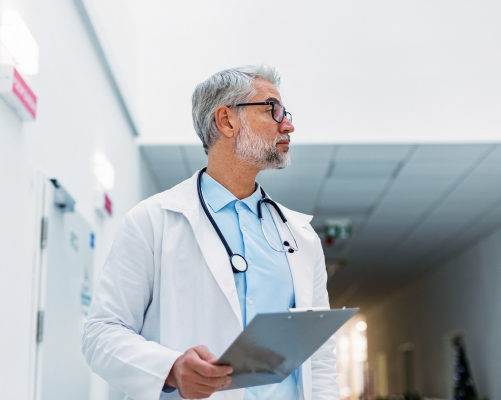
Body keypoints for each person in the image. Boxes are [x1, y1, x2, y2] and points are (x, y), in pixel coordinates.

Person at [82, 65, 338, 400]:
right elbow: (101, 334)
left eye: (285, 113)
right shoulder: (152, 221)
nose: (287, 124)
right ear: (226, 121)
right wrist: (170, 368)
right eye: (272, 110)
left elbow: (318, 357)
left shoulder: (301, 238)